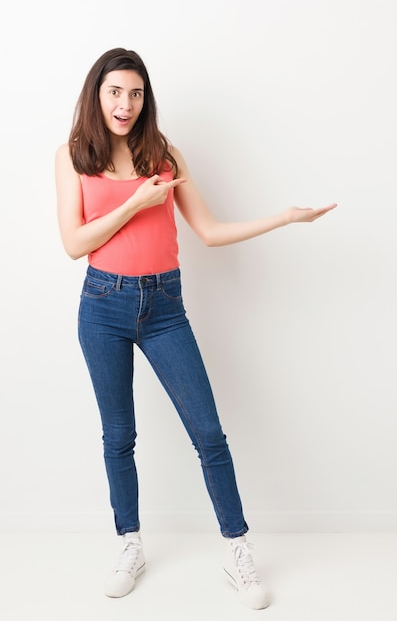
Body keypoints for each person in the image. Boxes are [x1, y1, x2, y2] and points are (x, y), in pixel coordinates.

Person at [55, 47, 337, 610]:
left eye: (135, 93)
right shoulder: (72, 157)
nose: (125, 103)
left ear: (145, 98)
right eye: (115, 91)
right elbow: (74, 244)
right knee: (118, 437)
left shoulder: (164, 154)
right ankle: (129, 543)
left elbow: (207, 230)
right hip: (102, 305)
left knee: (208, 434)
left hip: (164, 308)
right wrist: (137, 203)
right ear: (97, 94)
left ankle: (237, 549)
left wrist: (284, 217)